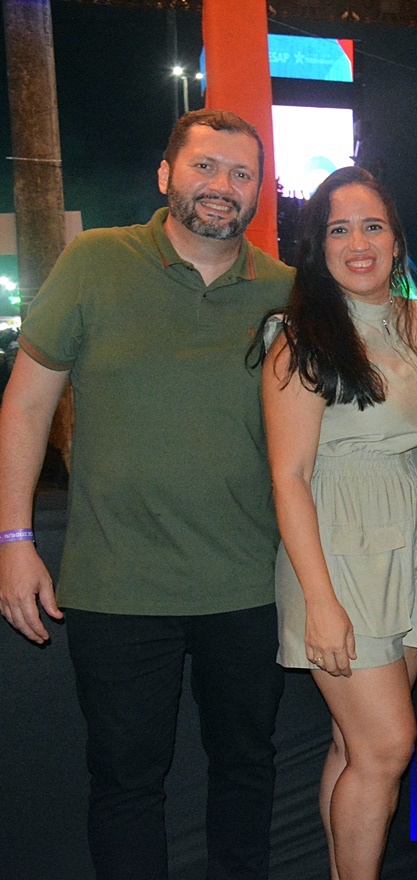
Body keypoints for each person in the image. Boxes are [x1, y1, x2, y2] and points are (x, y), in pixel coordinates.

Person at [0, 109, 291, 878]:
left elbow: (373, 347)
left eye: (241, 173)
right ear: (166, 175)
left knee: (247, 769)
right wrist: (14, 541)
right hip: (116, 585)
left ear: (258, 191)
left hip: (250, 585)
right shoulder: (96, 260)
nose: (222, 185)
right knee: (126, 784)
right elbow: (24, 406)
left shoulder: (285, 290)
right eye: (204, 166)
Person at [252, 166, 417, 880]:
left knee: (354, 744)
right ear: (317, 246)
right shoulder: (299, 339)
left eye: (372, 227)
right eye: (339, 229)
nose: (358, 244)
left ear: (396, 240)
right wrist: (321, 603)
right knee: (387, 747)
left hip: (411, 546)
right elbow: (289, 476)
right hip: (337, 554)